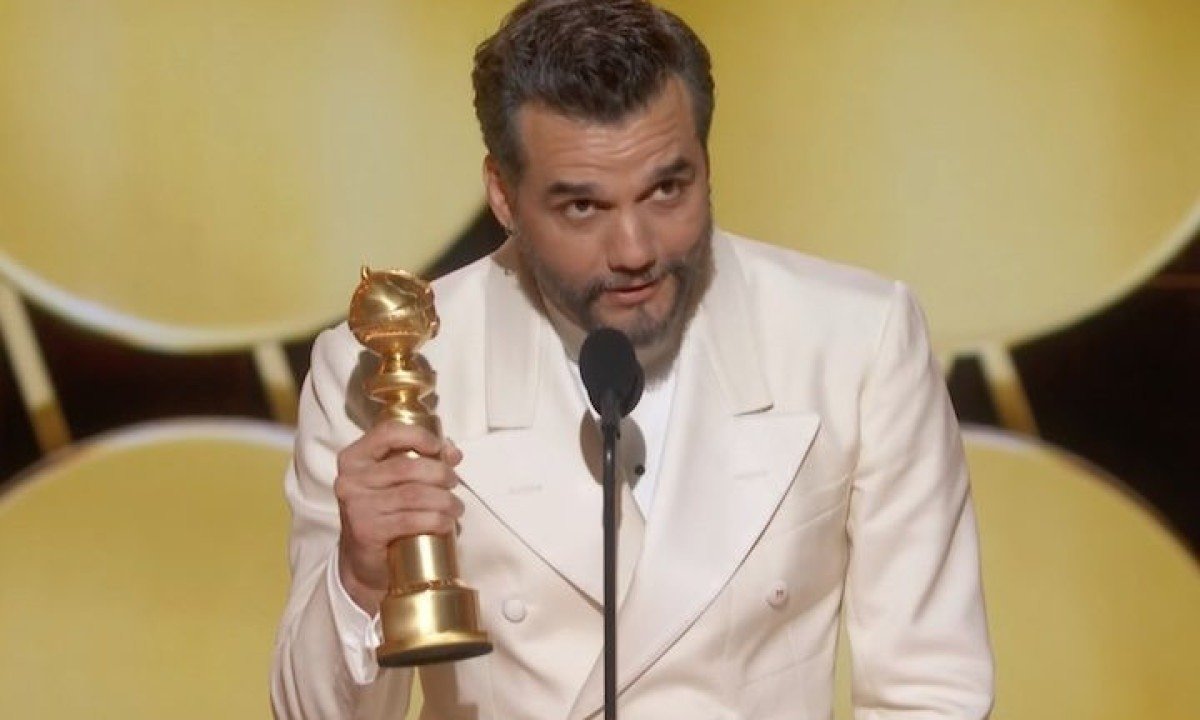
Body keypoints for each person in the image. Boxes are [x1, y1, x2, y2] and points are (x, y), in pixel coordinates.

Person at [270, 1, 994, 717]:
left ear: (706, 163)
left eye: (666, 190)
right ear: (504, 196)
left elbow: (932, 691)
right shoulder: (380, 369)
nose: (636, 250)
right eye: (583, 208)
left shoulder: (856, 340)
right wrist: (359, 580)